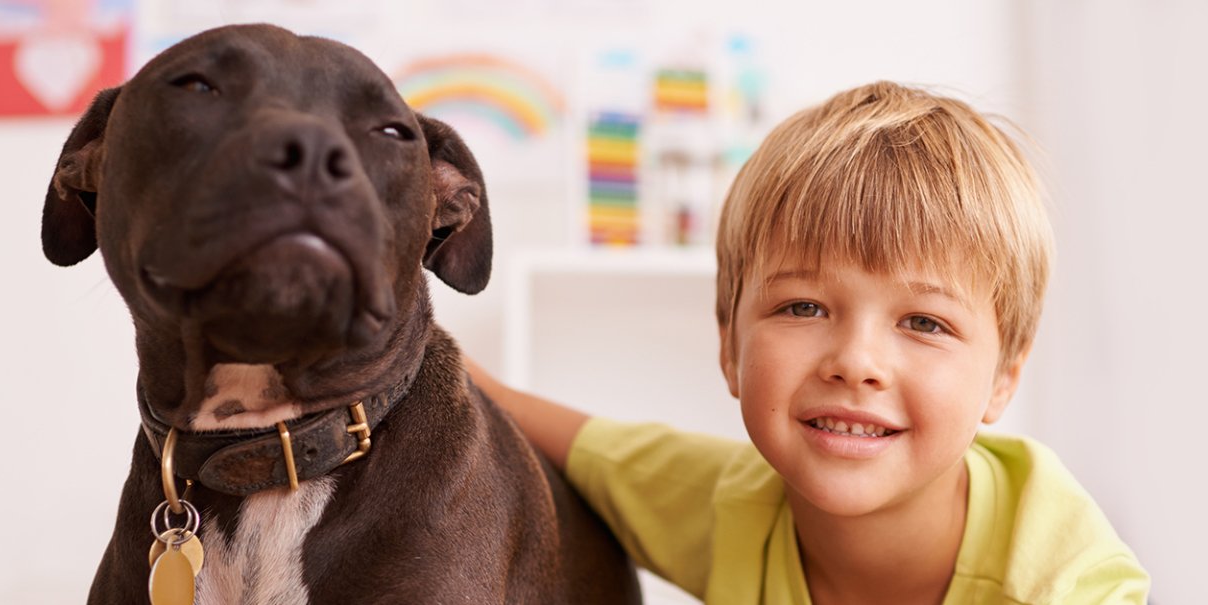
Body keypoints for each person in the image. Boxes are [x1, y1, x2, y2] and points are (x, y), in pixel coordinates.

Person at [465, 81, 1149, 604]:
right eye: (803, 306)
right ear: (729, 342)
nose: (855, 361)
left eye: (924, 322)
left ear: (1004, 377)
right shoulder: (735, 507)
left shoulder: (1063, 581)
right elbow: (592, 448)